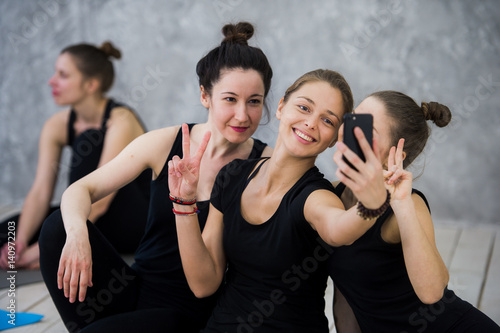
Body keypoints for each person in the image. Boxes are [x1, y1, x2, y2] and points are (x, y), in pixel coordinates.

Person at [38, 22, 274, 333]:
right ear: (205, 96)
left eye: (254, 101)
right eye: (230, 99)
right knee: (58, 227)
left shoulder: (265, 162)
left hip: (189, 313)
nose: (243, 115)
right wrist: (78, 234)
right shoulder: (165, 142)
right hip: (135, 289)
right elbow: (82, 189)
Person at [168, 69, 399, 332]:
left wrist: (371, 205)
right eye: (304, 107)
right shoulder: (232, 176)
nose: (311, 123)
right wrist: (183, 202)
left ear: (335, 139)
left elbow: (338, 230)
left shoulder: (316, 196)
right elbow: (203, 284)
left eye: (327, 120)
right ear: (281, 107)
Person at [328, 90, 500, 332]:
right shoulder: (330, 196)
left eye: (366, 130)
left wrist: (401, 203)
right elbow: (345, 295)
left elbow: (432, 292)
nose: (350, 131)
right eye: (354, 118)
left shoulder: (409, 205)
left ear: (392, 157)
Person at [0, 41, 150, 270]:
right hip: (88, 214)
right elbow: (40, 192)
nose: (52, 81)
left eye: (63, 75)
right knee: (6, 232)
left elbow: (99, 202)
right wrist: (20, 243)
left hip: (132, 220)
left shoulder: (121, 120)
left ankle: (56, 249)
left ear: (91, 84)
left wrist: (38, 251)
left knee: (89, 140)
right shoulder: (57, 125)